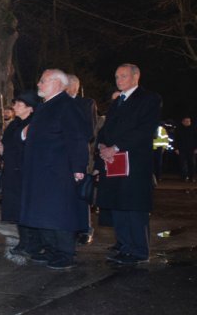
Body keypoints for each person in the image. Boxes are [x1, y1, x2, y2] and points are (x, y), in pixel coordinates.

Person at [20, 69, 88, 270]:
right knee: (44, 212)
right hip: (40, 169)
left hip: (58, 169)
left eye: (43, 81)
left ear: (58, 83)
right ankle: (50, 248)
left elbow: (78, 137)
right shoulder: (45, 107)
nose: (39, 85)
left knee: (60, 211)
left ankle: (65, 252)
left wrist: (78, 167)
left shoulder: (67, 106)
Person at [96, 64, 161, 265]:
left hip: (134, 162)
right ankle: (124, 247)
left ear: (136, 77)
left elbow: (144, 130)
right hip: (113, 161)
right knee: (118, 204)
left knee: (133, 206)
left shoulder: (149, 99)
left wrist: (115, 147)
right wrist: (102, 145)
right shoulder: (118, 101)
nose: (119, 80)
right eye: (116, 76)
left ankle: (139, 250)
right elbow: (106, 128)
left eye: (123, 76)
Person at [0, 91, 38, 255]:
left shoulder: (34, 123)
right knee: (17, 209)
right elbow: (8, 146)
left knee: (27, 208)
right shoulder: (14, 124)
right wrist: (0, 147)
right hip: (12, 171)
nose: (14, 107)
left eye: (19, 104)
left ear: (30, 108)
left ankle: (33, 242)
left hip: (26, 172)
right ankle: (23, 241)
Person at [66, 74, 99, 245]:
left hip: (77, 153)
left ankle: (84, 228)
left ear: (74, 86)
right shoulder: (55, 103)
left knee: (80, 192)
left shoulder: (85, 103)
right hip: (60, 155)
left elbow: (89, 131)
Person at [173, 116, 196, 182]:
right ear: (183, 122)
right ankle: (184, 177)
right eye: (186, 121)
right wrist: (176, 148)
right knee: (183, 164)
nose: (188, 122)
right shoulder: (178, 129)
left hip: (191, 149)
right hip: (181, 149)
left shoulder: (193, 129)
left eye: (189, 121)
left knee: (192, 164)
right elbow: (176, 139)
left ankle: (192, 177)